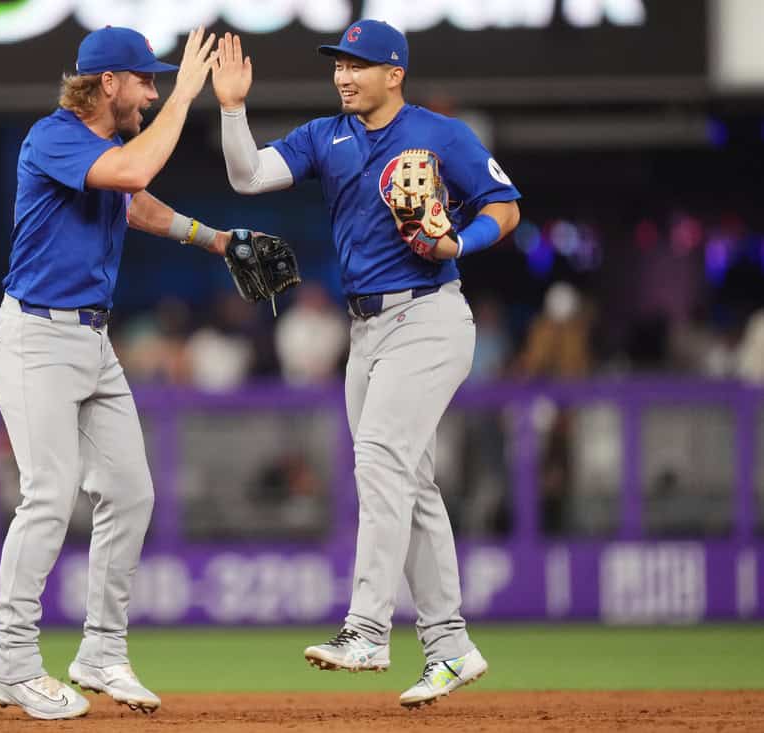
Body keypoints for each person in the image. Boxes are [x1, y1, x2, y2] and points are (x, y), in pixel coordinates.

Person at [213, 20, 521, 708]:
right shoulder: (327, 136)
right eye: (338, 64)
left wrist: (456, 243)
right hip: (366, 329)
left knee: (380, 460)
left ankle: (367, 628)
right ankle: (450, 645)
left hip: (429, 315)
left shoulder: (440, 135)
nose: (343, 75)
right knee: (409, 483)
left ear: (393, 73)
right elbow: (247, 173)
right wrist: (232, 107)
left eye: (357, 64)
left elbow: (504, 206)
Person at [0, 26, 234, 720]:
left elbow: (136, 203)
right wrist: (188, 92)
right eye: (144, 81)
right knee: (49, 493)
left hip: (90, 339)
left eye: (160, 81)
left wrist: (213, 239)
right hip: (34, 334)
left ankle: (100, 650)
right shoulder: (54, 136)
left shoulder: (100, 151)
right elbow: (131, 175)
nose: (152, 93)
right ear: (108, 84)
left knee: (130, 490)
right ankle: (11, 660)